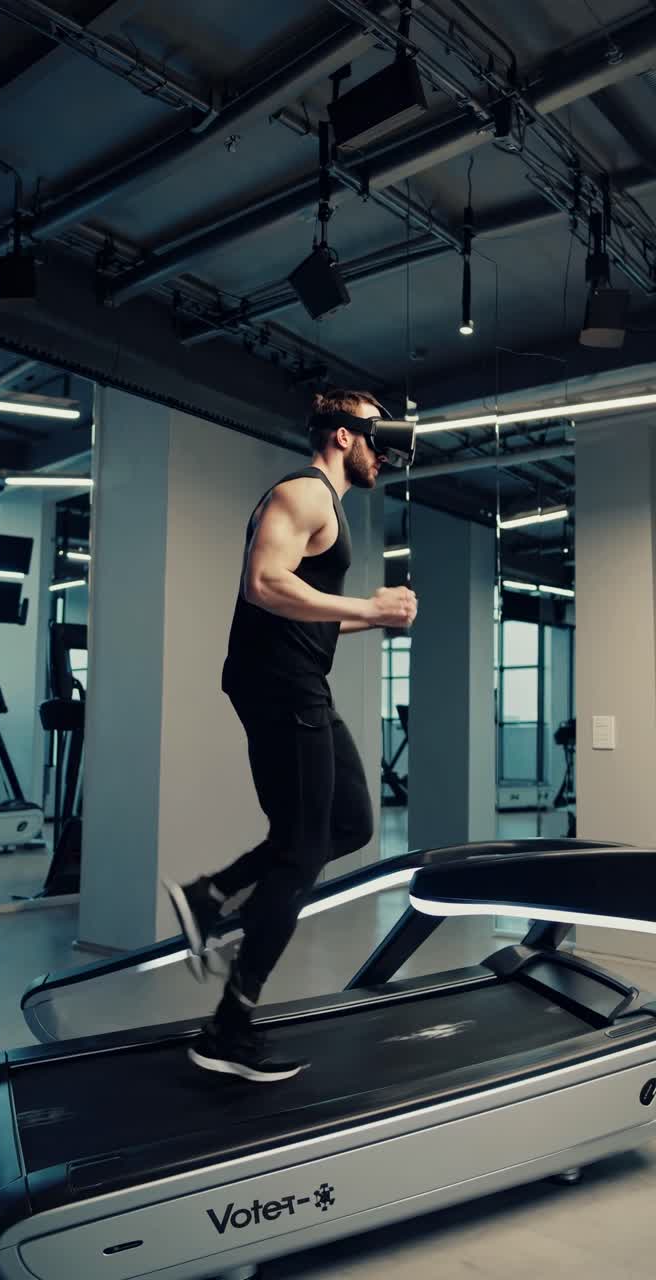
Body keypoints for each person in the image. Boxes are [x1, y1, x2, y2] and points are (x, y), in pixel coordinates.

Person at [164, 388, 418, 1083]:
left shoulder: (325, 509)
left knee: (351, 823)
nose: (382, 455)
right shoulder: (303, 494)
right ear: (342, 436)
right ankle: (229, 1026)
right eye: (375, 438)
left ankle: (210, 897)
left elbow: (302, 611)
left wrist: (374, 620)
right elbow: (263, 583)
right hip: (281, 688)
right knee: (303, 849)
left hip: (300, 683)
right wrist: (368, 601)